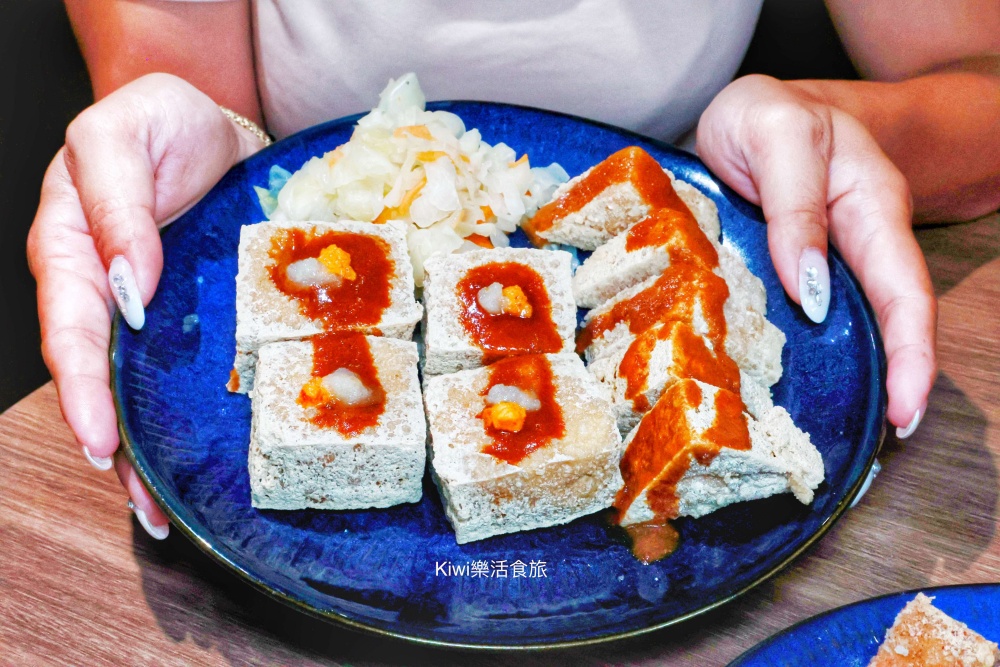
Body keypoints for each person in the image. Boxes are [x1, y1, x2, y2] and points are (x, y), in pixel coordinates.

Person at [28, 0, 1000, 540]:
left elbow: (978, 74)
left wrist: (831, 129)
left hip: (688, 252)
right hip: (329, 250)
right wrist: (198, 142)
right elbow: (177, 65)